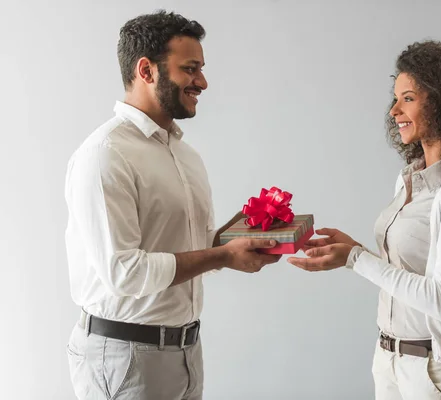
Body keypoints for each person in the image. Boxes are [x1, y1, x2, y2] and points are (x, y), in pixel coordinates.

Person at [288, 40, 441, 400]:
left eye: (408, 98)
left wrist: (356, 259)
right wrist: (352, 251)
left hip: (440, 372)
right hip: (389, 360)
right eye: (395, 97)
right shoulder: (410, 178)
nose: (393, 110)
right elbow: (406, 269)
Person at [64, 10, 280, 400]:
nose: (202, 81)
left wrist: (236, 234)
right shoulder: (105, 154)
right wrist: (222, 256)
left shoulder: (184, 155)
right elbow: (125, 272)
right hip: (124, 357)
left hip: (185, 351)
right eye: (190, 69)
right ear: (146, 70)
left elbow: (184, 248)